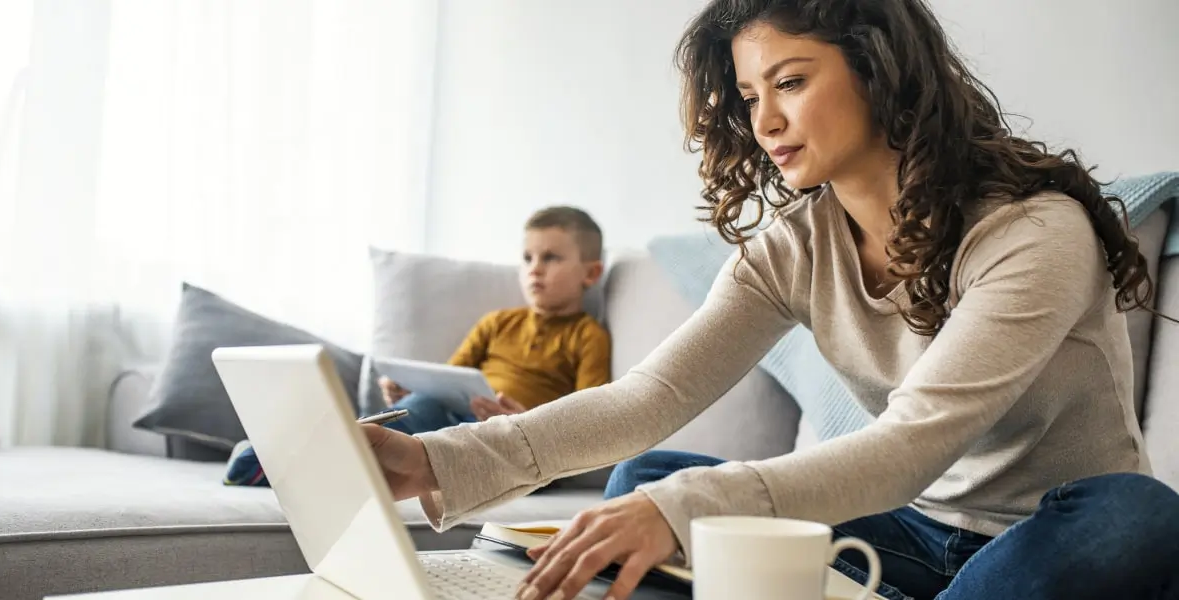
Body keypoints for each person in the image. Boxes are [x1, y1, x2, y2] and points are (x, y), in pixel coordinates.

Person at [360, 1, 1179, 598]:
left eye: (790, 81)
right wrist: (440, 457)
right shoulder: (795, 245)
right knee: (651, 474)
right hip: (906, 534)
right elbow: (651, 397)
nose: (766, 120)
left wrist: (682, 508)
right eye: (751, 96)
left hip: (1051, 534)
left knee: (1139, 518)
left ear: (879, 71)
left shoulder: (1034, 231)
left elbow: (911, 444)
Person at [379, 206, 612, 435]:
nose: (535, 269)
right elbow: (448, 380)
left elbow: (587, 420)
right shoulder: (498, 322)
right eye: (527, 258)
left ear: (591, 273)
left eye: (550, 258)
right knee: (421, 404)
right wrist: (408, 391)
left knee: (483, 440)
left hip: (511, 435)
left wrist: (525, 424)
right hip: (452, 415)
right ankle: (371, 440)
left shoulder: (589, 336)